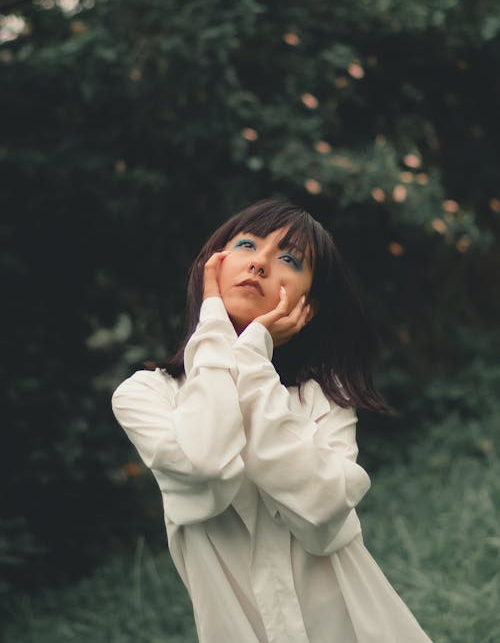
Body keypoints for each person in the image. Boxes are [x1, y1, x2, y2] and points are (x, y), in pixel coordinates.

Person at [112, 200, 433, 643]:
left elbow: (322, 514)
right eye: (247, 245)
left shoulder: (324, 396)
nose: (260, 263)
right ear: (212, 267)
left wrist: (251, 355)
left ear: (308, 305)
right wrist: (220, 330)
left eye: (289, 259)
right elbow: (206, 462)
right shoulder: (146, 395)